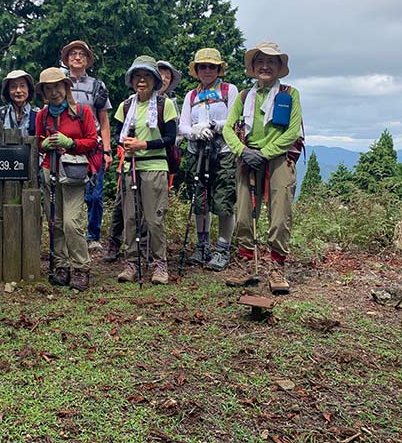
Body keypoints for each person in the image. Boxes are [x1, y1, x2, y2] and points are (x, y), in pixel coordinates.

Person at [223, 42, 303, 294]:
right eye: (260, 62)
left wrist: (265, 153)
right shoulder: (244, 96)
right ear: (253, 67)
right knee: (244, 213)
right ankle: (248, 264)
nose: (265, 66)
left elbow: (292, 131)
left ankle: (277, 267)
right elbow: (228, 128)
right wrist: (243, 151)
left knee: (280, 214)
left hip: (279, 158)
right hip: (248, 156)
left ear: (279, 67)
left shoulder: (290, 94)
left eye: (271, 62)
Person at [102, 59, 181, 263]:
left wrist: (143, 144)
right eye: (137, 76)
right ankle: (131, 262)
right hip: (131, 167)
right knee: (130, 218)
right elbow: (118, 134)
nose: (142, 80)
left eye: (147, 76)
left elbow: (170, 138)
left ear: (155, 80)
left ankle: (159, 262)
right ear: (131, 80)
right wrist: (126, 144)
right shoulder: (126, 106)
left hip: (155, 166)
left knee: (154, 219)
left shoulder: (165, 104)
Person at [35, 67, 99, 292]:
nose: (54, 92)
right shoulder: (42, 115)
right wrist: (43, 144)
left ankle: (81, 267)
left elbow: (93, 140)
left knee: (71, 222)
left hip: (73, 171)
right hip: (49, 169)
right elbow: (38, 141)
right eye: (48, 89)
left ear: (66, 87)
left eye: (57, 87)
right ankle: (61, 265)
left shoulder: (81, 111)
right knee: (55, 221)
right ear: (43, 92)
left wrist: (70, 143)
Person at [178, 48, 239, 272]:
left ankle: (222, 248)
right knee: (200, 200)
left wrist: (215, 126)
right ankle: (202, 245)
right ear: (196, 70)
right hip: (197, 153)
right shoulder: (191, 96)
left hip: (223, 152)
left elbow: (234, 119)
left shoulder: (229, 90)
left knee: (223, 200)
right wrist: (194, 131)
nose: (207, 70)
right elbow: (183, 125)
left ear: (218, 69)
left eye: (212, 66)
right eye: (202, 66)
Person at [61, 40, 112, 252]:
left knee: (94, 194)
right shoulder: (60, 83)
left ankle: (93, 236)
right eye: (73, 53)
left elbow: (104, 121)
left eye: (82, 54)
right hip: (66, 146)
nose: (77, 57)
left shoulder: (97, 85)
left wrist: (107, 150)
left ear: (88, 59)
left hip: (93, 146)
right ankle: (69, 235)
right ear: (67, 59)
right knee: (67, 192)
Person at [0, 69, 37, 136]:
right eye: (13, 86)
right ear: (7, 91)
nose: (18, 90)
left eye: (22, 86)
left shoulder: (38, 114)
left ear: (29, 89)